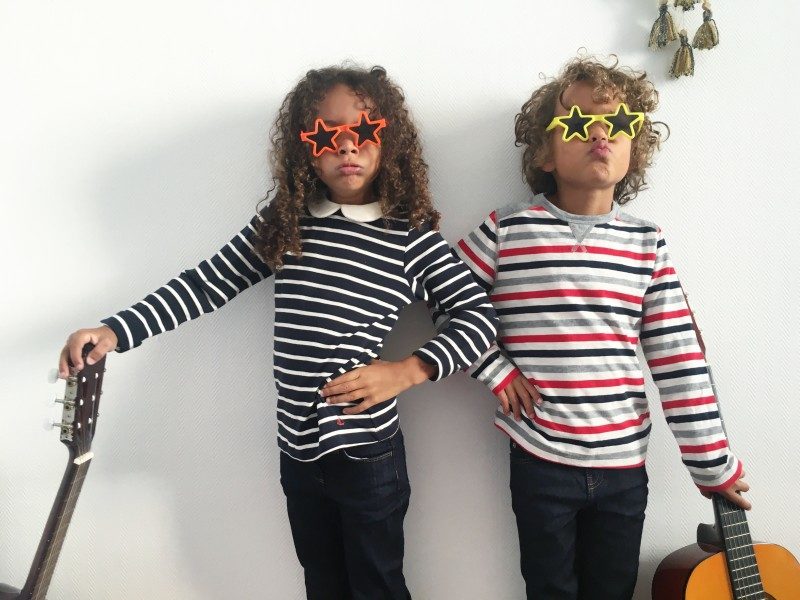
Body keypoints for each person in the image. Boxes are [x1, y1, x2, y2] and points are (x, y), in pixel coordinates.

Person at [58, 65, 498, 600]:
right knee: (322, 584)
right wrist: (115, 330)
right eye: (327, 133)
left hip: (366, 453)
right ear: (304, 147)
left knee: (378, 586)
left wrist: (406, 371)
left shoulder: (409, 238)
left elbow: (478, 318)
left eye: (363, 130)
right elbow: (209, 282)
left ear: (390, 141)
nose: (346, 146)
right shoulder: (287, 223)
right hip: (297, 448)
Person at [452, 56, 749, 599]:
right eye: (577, 123)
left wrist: (712, 463)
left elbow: (679, 357)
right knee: (549, 589)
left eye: (617, 123)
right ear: (545, 151)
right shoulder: (507, 230)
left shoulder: (646, 243)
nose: (599, 134)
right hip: (541, 456)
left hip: (624, 465)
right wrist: (494, 370)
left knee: (614, 589)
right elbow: (447, 298)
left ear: (636, 147)